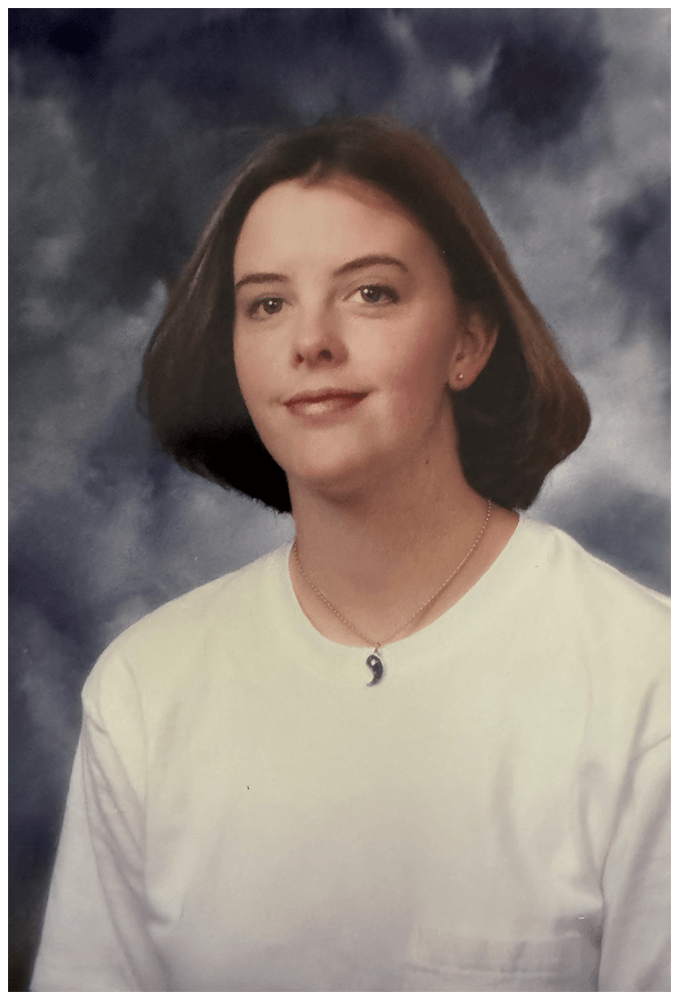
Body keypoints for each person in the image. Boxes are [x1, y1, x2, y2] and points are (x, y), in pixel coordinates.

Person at [31, 117, 669, 992]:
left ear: (467, 343)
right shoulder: (145, 690)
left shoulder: (645, 680)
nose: (311, 341)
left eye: (370, 293)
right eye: (266, 303)